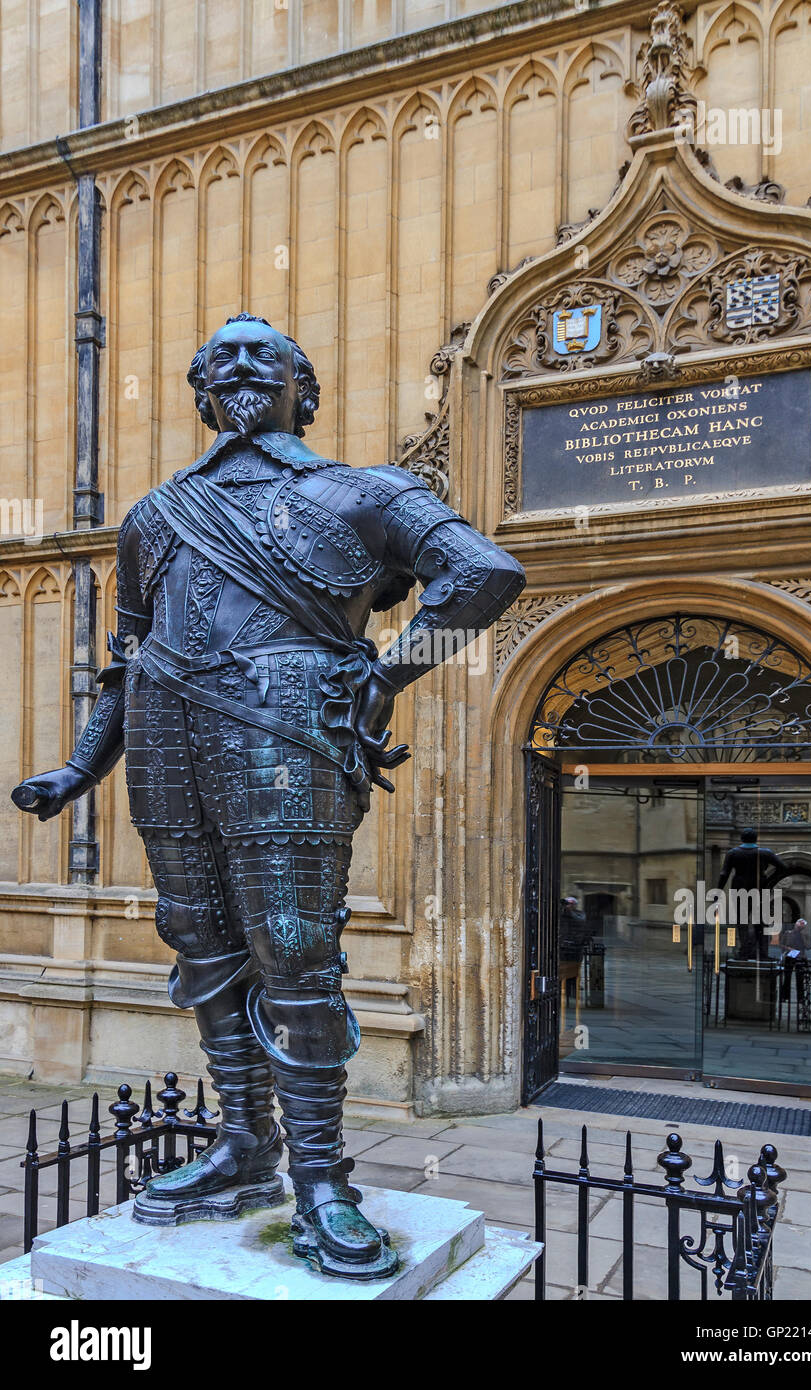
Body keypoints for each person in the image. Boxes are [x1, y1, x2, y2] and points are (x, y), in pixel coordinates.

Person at [11, 313, 525, 1278]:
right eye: (221, 360)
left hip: (287, 734)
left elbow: (485, 571)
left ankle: (324, 1180)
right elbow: (129, 661)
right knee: (198, 940)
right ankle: (245, 1146)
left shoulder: (368, 492)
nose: (243, 369)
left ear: (305, 388)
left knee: (292, 948)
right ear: (201, 391)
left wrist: (387, 674)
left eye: (267, 356)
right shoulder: (155, 516)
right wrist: (79, 767)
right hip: (166, 736)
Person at [717, 827, 787, 960]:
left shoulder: (733, 853)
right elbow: (783, 867)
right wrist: (769, 880)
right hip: (760, 888)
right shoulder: (765, 852)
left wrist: (718, 891)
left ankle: (744, 952)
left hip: (739, 888)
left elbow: (724, 873)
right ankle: (763, 953)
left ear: (742, 839)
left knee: (742, 922)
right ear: (756, 839)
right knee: (760, 922)